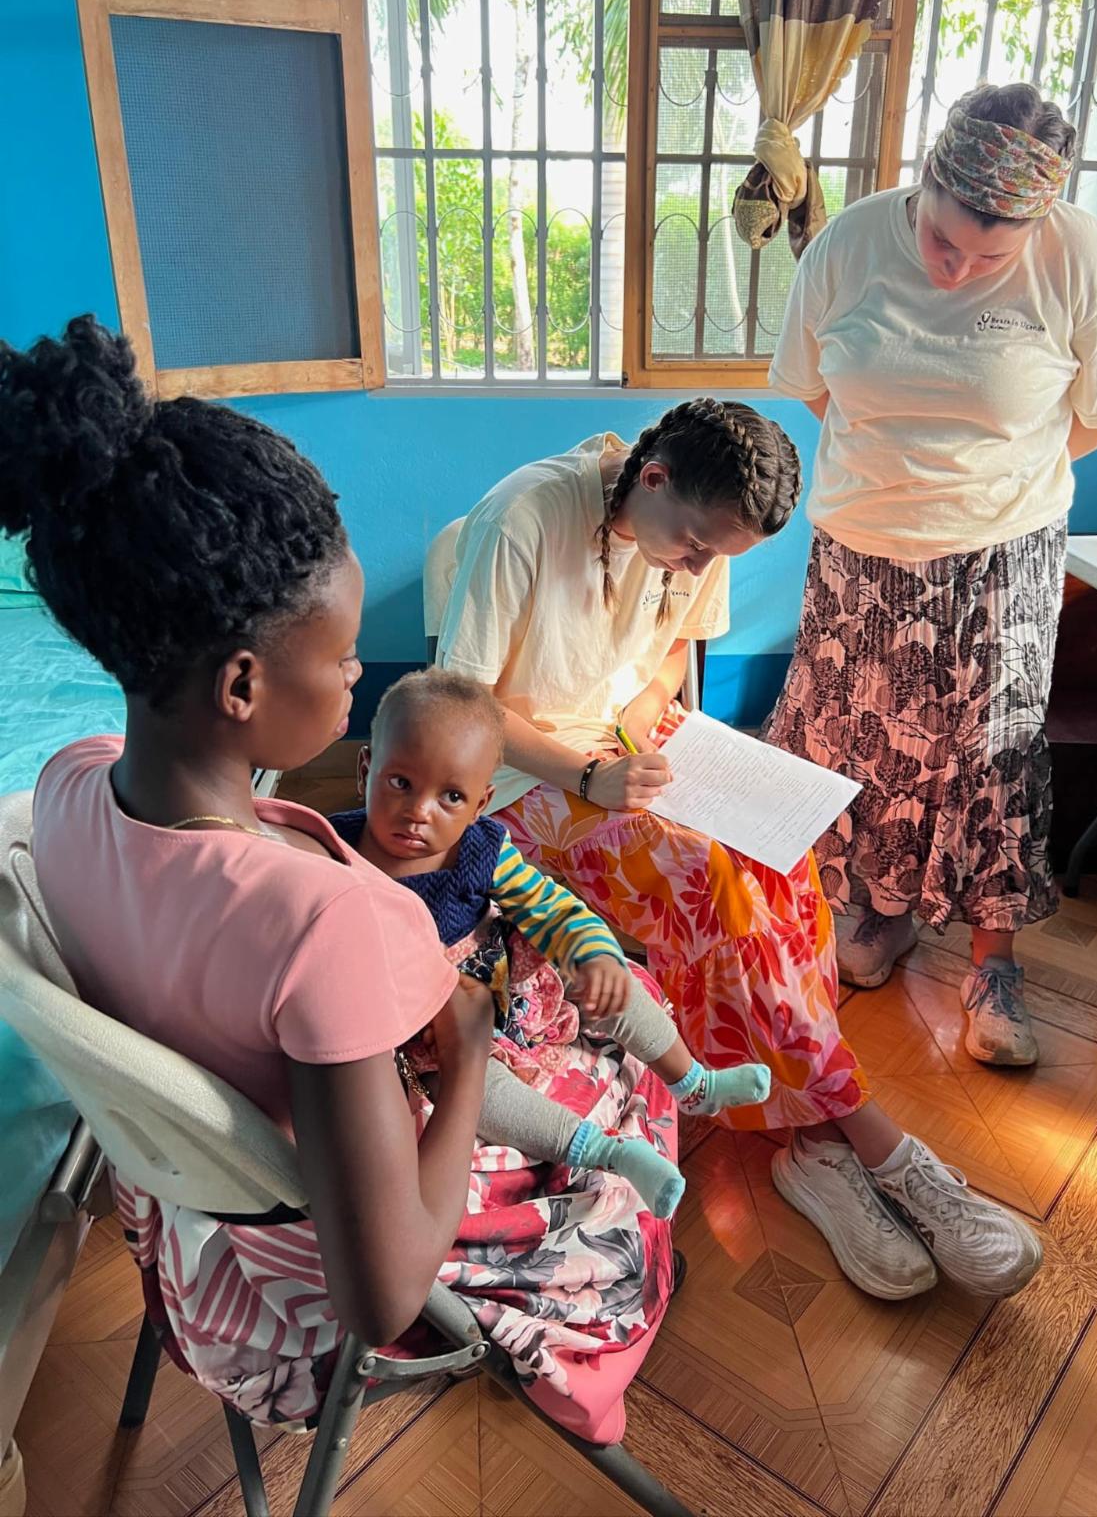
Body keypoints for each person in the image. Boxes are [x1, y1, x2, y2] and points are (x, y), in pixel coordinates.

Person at [1, 317, 677, 1441]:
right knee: (631, 1088)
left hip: (187, 1231)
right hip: (309, 1292)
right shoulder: (326, 924)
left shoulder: (64, 787)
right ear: (242, 684)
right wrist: (468, 1051)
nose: (363, 673)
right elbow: (384, 1296)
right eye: (347, 655)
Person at [435, 395, 1042, 1301]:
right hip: (521, 777)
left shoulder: (698, 530)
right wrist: (591, 772)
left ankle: (811, 1138)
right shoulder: (525, 516)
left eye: (717, 555)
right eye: (693, 547)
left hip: (623, 746)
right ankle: (864, 1138)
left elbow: (666, 661)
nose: (698, 566)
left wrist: (642, 729)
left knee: (783, 858)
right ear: (652, 477)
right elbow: (459, 704)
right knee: (710, 886)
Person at [765, 82, 1097, 1067]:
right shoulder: (848, 246)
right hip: (861, 542)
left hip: (1006, 547)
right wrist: (898, 475)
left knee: (994, 755)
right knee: (862, 741)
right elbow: (812, 385)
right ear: (927, 182)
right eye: (944, 240)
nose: (957, 268)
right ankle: (883, 912)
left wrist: (1002, 477)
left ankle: (994, 964)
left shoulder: (1086, 262)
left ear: (1038, 222)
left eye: (990, 256)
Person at [330, 668, 771, 1219]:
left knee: (616, 984)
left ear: (480, 804)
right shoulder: (332, 856)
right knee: (474, 1095)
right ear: (366, 768)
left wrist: (595, 954)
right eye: (400, 783)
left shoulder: (481, 848)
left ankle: (693, 1082)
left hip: (508, 982)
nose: (419, 811)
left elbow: (553, 909)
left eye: (451, 797)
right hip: (436, 1028)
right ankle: (610, 1153)